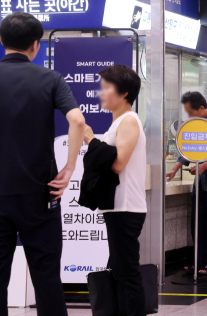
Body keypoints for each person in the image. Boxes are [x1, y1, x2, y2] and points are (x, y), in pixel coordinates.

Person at [0, 13, 85, 316]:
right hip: (40, 194)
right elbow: (76, 120)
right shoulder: (50, 79)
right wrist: (70, 167)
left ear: (1, 40)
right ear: (36, 45)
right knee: (46, 276)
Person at [84, 65, 146, 315]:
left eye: (107, 87)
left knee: (127, 272)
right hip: (118, 206)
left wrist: (92, 141)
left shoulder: (129, 121)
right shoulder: (119, 122)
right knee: (121, 270)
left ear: (124, 93)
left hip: (126, 207)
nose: (102, 92)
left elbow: (118, 163)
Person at [166, 92, 207, 274]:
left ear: (202, 109)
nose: (189, 117)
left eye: (190, 112)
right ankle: (199, 261)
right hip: (201, 184)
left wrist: (204, 167)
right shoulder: (195, 125)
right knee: (198, 224)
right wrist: (176, 167)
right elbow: (189, 148)